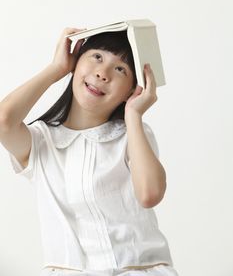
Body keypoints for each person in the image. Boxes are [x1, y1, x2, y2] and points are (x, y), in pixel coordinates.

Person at [0, 27, 179, 276]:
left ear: (131, 90)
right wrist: (56, 69)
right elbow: (3, 120)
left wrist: (134, 115)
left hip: (141, 269)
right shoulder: (41, 141)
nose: (102, 73)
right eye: (97, 57)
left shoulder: (132, 134)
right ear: (76, 62)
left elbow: (150, 194)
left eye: (120, 69)